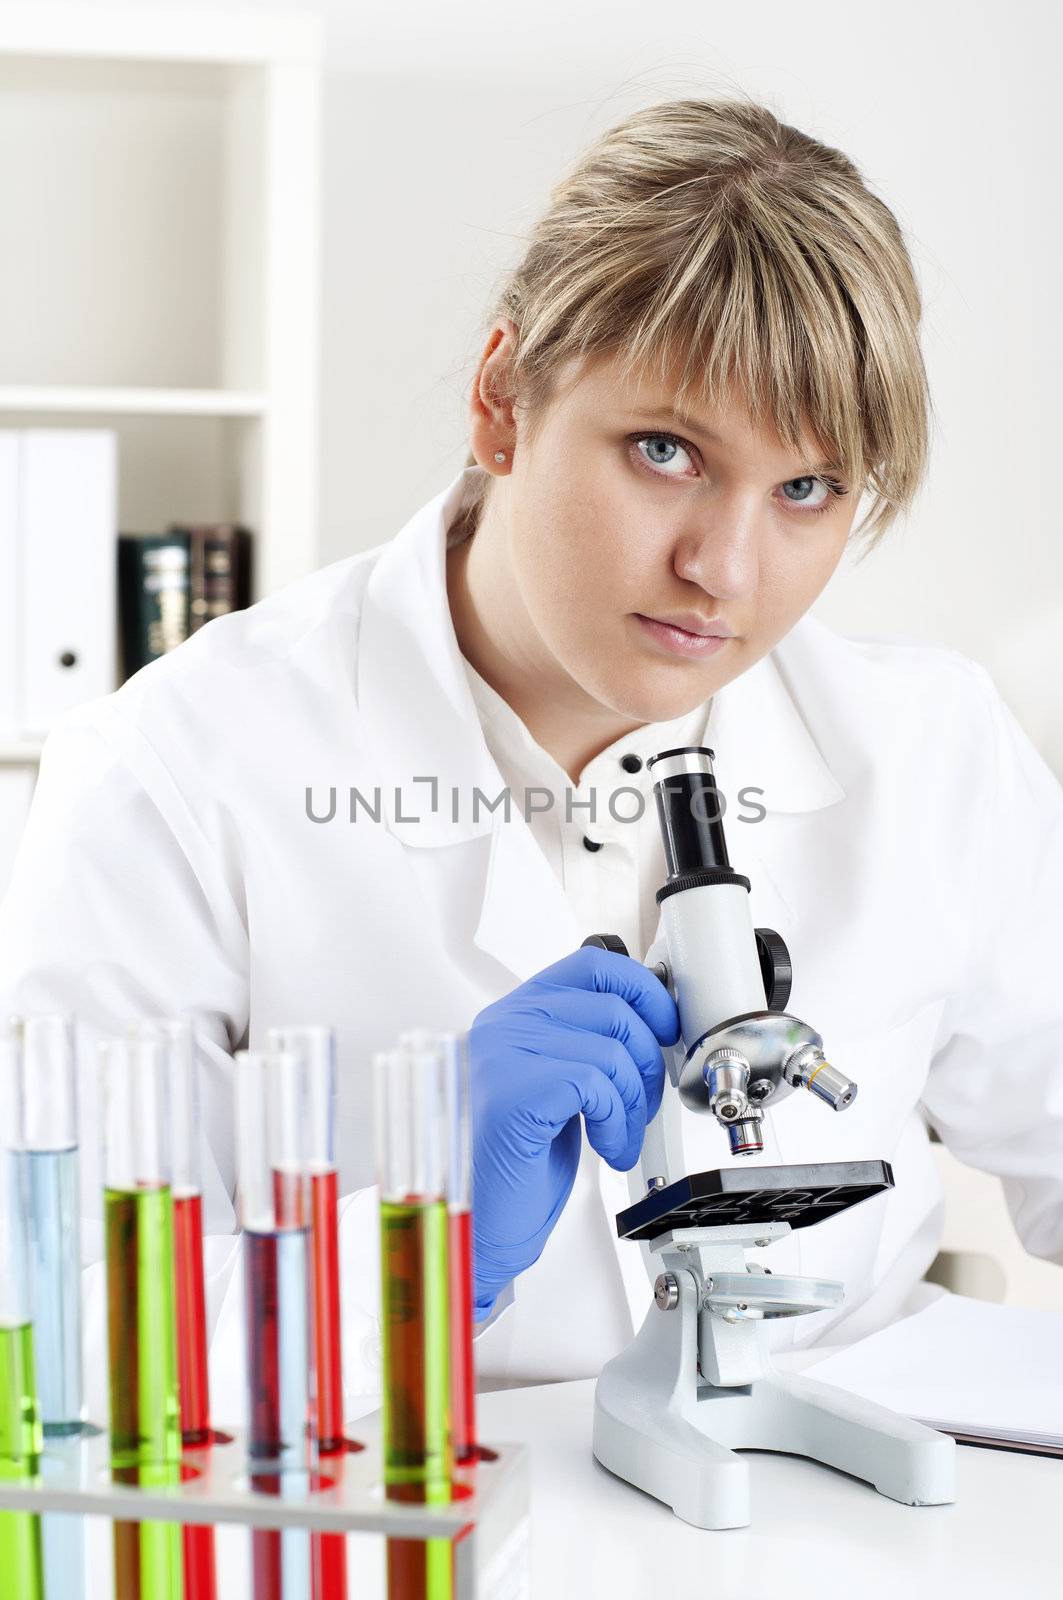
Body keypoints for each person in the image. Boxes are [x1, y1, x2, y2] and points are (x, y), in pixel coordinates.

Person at [1, 97, 1061, 1414]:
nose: (723, 570)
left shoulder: (933, 753)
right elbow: (54, 1341)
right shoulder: (177, 770)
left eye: (807, 490)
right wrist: (415, 1254)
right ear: (502, 402)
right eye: (665, 451)